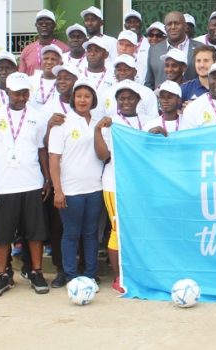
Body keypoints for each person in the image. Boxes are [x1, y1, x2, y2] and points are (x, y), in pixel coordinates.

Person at [0, 72, 51, 298]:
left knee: (35, 233)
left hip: (32, 183)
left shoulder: (37, 117)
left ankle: (36, 272)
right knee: (2, 235)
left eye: (25, 93)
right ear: (8, 92)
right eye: (17, 93)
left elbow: (42, 150)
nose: (21, 97)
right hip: (3, 185)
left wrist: (47, 179)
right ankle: (2, 275)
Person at [93, 80, 150, 294]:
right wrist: (98, 130)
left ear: (138, 100)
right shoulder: (110, 122)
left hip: (139, 184)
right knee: (118, 229)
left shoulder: (147, 121)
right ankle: (119, 276)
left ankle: (137, 272)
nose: (126, 102)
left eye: (130, 98)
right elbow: (103, 155)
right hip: (114, 183)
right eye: (122, 98)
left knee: (138, 228)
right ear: (116, 101)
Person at [48, 80, 103, 287]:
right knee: (71, 233)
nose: (82, 100)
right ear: (72, 99)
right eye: (78, 96)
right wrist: (58, 190)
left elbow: (104, 153)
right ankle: (71, 276)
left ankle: (90, 274)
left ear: (93, 100)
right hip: (70, 189)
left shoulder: (99, 123)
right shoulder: (62, 123)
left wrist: (100, 129)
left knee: (90, 234)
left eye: (87, 96)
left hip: (95, 188)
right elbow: (54, 158)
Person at [145, 11, 200, 89]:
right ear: (165, 28)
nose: (173, 27)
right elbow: (149, 82)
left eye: (177, 23)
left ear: (185, 26)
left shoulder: (200, 48)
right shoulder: (154, 50)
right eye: (169, 24)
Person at [103, 54, 158, 121]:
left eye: (126, 69)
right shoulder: (107, 93)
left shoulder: (147, 92)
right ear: (114, 72)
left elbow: (154, 118)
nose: (122, 72)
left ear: (135, 72)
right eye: (119, 70)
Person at [19, 9, 69, 75]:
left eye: (48, 23)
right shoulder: (27, 50)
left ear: (54, 25)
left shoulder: (64, 49)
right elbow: (21, 75)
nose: (44, 25)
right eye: (40, 23)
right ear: (36, 25)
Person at [81, 36, 117, 102]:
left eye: (97, 51)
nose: (92, 54)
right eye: (89, 51)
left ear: (106, 54)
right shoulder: (78, 74)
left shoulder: (113, 77)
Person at [29, 45, 62, 111]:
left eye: (53, 59)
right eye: (46, 59)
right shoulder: (30, 80)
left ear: (60, 63)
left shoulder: (63, 83)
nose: (49, 62)